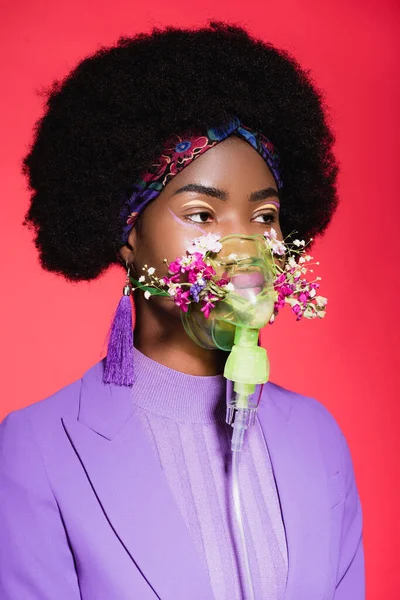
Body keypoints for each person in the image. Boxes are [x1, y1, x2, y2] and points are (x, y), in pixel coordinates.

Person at [0, 20, 364, 600]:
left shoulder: (319, 439)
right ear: (127, 235)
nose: (241, 249)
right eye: (201, 214)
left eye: (265, 217)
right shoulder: (38, 448)